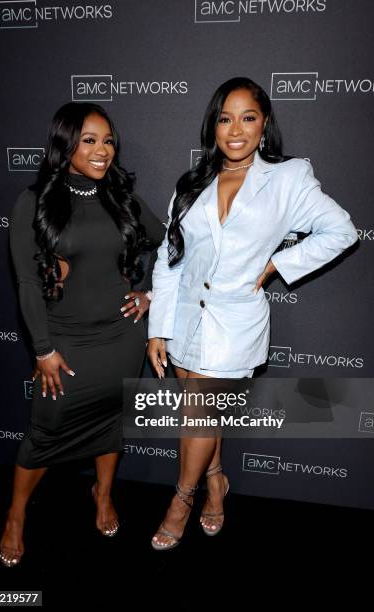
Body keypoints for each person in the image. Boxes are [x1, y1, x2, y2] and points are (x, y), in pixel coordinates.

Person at [147, 77, 358, 550]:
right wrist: (158, 327)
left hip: (233, 324)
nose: (236, 129)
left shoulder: (287, 179)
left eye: (248, 117)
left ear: (264, 125)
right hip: (183, 320)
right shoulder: (192, 184)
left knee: (199, 416)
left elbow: (341, 231)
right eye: (225, 118)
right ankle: (217, 483)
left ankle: (183, 499)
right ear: (213, 126)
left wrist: (279, 264)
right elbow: (168, 257)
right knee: (203, 415)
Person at [0, 102, 165, 567]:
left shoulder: (121, 199)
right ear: (65, 143)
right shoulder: (33, 202)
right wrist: (43, 349)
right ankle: (15, 516)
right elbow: (28, 283)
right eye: (89, 140)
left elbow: (172, 242)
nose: (102, 150)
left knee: (111, 425)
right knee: (43, 433)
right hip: (64, 345)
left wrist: (152, 292)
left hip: (122, 338)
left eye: (108, 140)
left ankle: (103, 494)